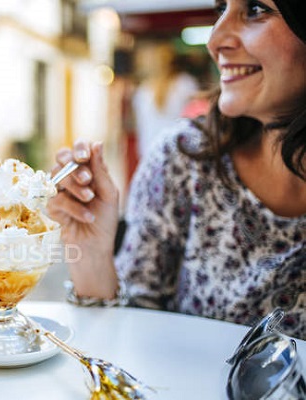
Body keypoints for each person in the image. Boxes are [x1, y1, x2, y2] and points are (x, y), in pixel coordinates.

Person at [48, 0, 305, 340]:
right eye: (221, 9)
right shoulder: (184, 162)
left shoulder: (151, 93)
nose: (216, 40)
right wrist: (93, 253)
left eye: (256, 9)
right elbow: (127, 338)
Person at [132, 43, 200, 159]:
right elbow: (197, 122)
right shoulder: (186, 85)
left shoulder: (142, 91)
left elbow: (140, 127)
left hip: (149, 153)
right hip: (179, 154)